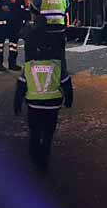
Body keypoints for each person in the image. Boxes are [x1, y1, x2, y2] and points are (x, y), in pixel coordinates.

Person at [13, 28, 73, 170]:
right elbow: (67, 84)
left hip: (34, 105)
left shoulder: (29, 66)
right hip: (52, 105)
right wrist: (69, 100)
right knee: (47, 135)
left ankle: (34, 158)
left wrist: (17, 104)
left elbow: (21, 87)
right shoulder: (56, 66)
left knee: (34, 132)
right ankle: (43, 161)